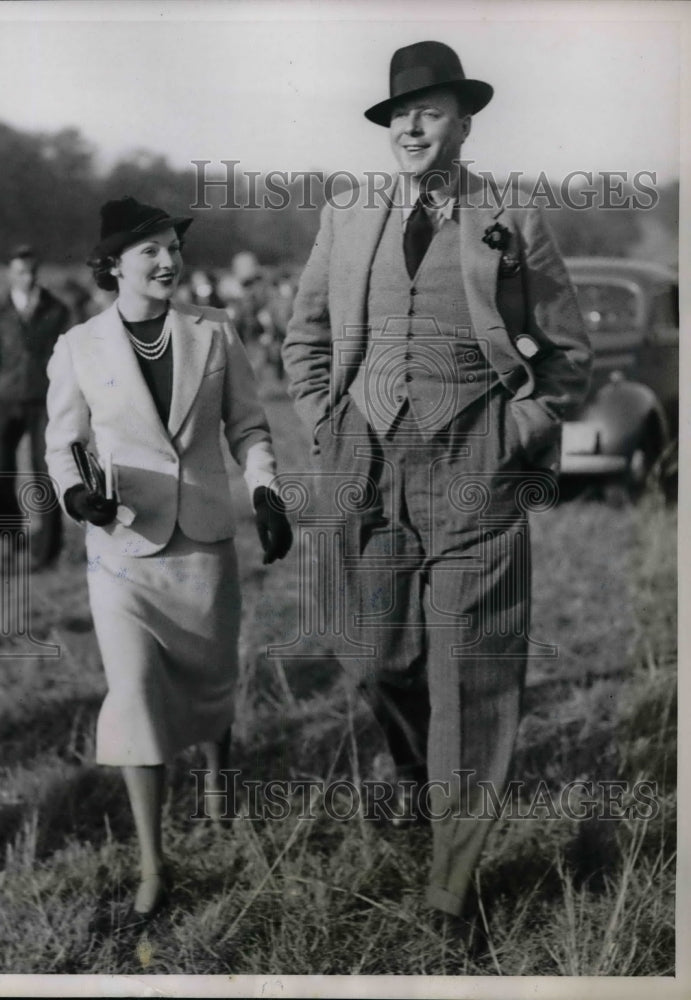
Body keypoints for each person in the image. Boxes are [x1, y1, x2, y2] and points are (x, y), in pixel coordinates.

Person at [282, 41, 592, 944]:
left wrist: (520, 430)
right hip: (366, 469)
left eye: (429, 111)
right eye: (398, 115)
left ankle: (452, 886)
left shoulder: (512, 216)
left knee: (475, 678)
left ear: (464, 121)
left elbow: (565, 352)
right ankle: (418, 777)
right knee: (374, 656)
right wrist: (324, 418)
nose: (410, 126)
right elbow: (304, 336)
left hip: (475, 471)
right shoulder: (347, 217)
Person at [45, 196, 293, 918]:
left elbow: (248, 424)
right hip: (121, 547)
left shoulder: (213, 333)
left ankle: (218, 783)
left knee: (211, 680)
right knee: (133, 693)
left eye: (172, 248)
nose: (166, 261)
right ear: (112, 265)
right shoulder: (79, 347)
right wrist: (73, 497)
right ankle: (154, 861)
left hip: (204, 541)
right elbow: (62, 444)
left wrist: (267, 492)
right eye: (149, 249)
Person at [0, 245, 70, 570]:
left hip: (45, 403)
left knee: (46, 474)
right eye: (18, 272)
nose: (25, 278)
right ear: (10, 274)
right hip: (6, 400)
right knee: (0, 472)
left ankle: (47, 551)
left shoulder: (56, 310)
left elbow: (70, 360)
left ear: (36, 272)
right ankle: (8, 540)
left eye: (29, 271)